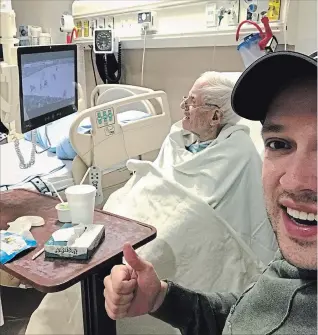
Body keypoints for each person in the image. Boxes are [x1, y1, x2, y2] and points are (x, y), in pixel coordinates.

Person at [103, 51, 317, 334]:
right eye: (279, 144)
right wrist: (163, 299)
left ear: (216, 115)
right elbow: (248, 313)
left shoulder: (236, 153)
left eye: (193, 103)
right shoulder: (293, 263)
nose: (294, 181)